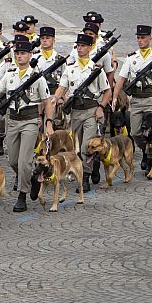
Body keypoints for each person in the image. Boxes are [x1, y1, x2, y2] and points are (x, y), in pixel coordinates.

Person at [0, 39, 55, 212]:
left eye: (23, 53)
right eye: (18, 53)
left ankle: (22, 195)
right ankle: (33, 177)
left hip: (30, 120)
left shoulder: (37, 77)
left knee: (24, 160)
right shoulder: (9, 74)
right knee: (12, 159)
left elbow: (47, 102)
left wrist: (48, 123)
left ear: (30, 55)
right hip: (12, 120)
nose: (20, 56)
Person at [54, 33, 108, 192]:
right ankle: (93, 163)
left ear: (90, 48)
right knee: (76, 147)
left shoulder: (96, 70)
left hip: (91, 110)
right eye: (78, 46)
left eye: (83, 46)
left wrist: (101, 108)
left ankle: (84, 177)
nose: (80, 49)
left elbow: (107, 92)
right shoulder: (70, 69)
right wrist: (56, 98)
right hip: (75, 112)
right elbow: (62, 87)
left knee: (86, 146)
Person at [112, 25, 152, 158]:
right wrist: (114, 96)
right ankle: (145, 150)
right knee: (136, 132)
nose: (140, 40)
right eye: (138, 38)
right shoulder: (131, 58)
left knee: (151, 130)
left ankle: (149, 158)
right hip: (136, 99)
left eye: (143, 37)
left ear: (150, 38)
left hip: (151, 98)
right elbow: (121, 79)